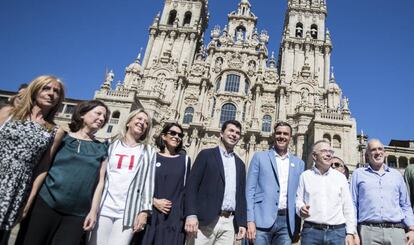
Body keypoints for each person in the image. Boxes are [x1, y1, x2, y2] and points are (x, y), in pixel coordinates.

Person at [16, 100, 110, 245]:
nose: (102, 118)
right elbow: (43, 167)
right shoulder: (62, 137)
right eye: (98, 113)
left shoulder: (102, 148)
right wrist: (29, 199)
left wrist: (93, 211)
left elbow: (100, 182)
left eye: (105, 117)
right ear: (83, 114)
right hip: (45, 203)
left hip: (77, 214)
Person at [0, 75, 64, 245]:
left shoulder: (55, 131)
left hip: (16, 186)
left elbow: (43, 168)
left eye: (56, 91)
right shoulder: (8, 113)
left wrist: (28, 200)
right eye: (46, 88)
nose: (51, 93)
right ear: (35, 90)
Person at [89, 109, 156, 245]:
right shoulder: (109, 144)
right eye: (139, 119)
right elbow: (99, 177)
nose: (142, 123)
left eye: (146, 122)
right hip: (103, 207)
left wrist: (144, 212)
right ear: (128, 122)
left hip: (128, 211)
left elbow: (148, 183)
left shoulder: (148, 151)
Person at [185, 120, 247, 245]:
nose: (234, 134)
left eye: (237, 133)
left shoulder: (240, 164)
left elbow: (240, 195)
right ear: (221, 133)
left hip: (228, 222)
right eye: (230, 131)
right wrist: (191, 214)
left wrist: (241, 222)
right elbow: (191, 186)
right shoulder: (206, 155)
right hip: (204, 220)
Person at [246, 121, 304, 245]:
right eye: (278, 133)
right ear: (273, 135)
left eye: (285, 134)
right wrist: (250, 220)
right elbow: (249, 191)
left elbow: (299, 196)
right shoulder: (259, 157)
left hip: (286, 223)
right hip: (261, 220)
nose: (281, 136)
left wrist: (297, 226)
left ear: (290, 137)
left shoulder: (299, 163)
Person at [351, 139, 414, 245]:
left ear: (384, 153)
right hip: (368, 231)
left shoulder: (396, 175)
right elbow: (352, 204)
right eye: (373, 150)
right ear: (367, 155)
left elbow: (405, 205)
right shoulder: (358, 174)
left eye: (380, 149)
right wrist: (353, 232)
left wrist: (412, 229)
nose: (377, 152)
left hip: (396, 231)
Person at [296, 140, 356, 245]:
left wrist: (350, 233)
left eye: (330, 151)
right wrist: (301, 208)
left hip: (337, 233)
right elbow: (298, 200)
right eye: (324, 151)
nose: (329, 154)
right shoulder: (305, 176)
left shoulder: (340, 178)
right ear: (314, 156)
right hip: (311, 232)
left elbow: (348, 207)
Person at [141, 122, 191, 245]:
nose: (176, 136)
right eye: (173, 133)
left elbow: (187, 190)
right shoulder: (151, 156)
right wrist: (153, 201)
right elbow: (140, 184)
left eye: (180, 135)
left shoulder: (185, 160)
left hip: (174, 218)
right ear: (163, 136)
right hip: (151, 214)